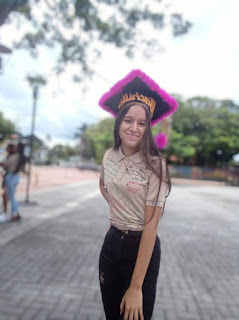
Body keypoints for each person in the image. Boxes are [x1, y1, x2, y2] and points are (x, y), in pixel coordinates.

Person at [98, 69, 178, 320]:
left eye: (142, 123)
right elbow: (104, 184)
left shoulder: (155, 166)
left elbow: (151, 225)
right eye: (128, 120)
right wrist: (118, 209)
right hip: (111, 244)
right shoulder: (109, 156)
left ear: (148, 128)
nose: (134, 128)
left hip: (141, 247)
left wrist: (135, 288)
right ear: (118, 121)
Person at [0, 142, 26, 222]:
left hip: (11, 177)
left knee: (11, 197)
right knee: (10, 196)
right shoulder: (21, 156)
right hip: (15, 177)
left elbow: (3, 164)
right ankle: (16, 213)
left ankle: (14, 214)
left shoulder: (14, 156)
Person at [0, 144, 15, 222]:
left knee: (6, 196)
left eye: (8, 148)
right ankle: (9, 213)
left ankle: (8, 213)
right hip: (6, 177)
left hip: (8, 177)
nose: (7, 149)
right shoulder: (10, 156)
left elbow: (3, 164)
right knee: (5, 196)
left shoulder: (12, 157)